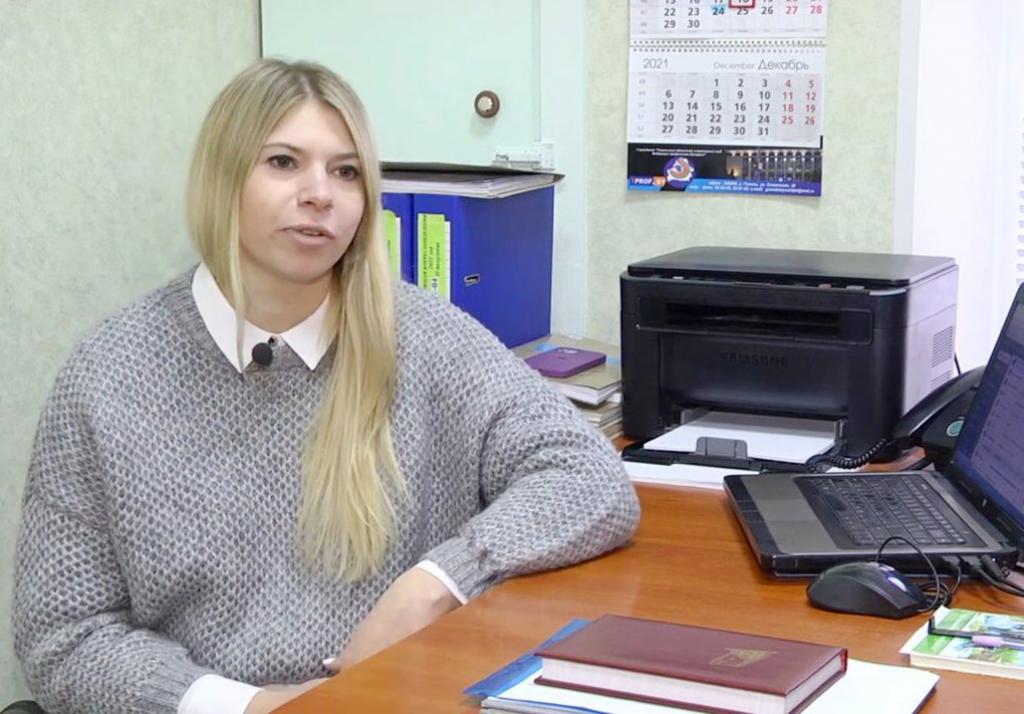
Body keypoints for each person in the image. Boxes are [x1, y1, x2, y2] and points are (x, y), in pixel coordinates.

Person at [11, 58, 640, 714]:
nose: (320, 194)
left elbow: (589, 478)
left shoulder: (426, 336)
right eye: (283, 162)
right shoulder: (110, 374)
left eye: (346, 172)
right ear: (222, 178)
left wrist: (437, 582)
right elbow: (64, 638)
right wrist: (254, 706)